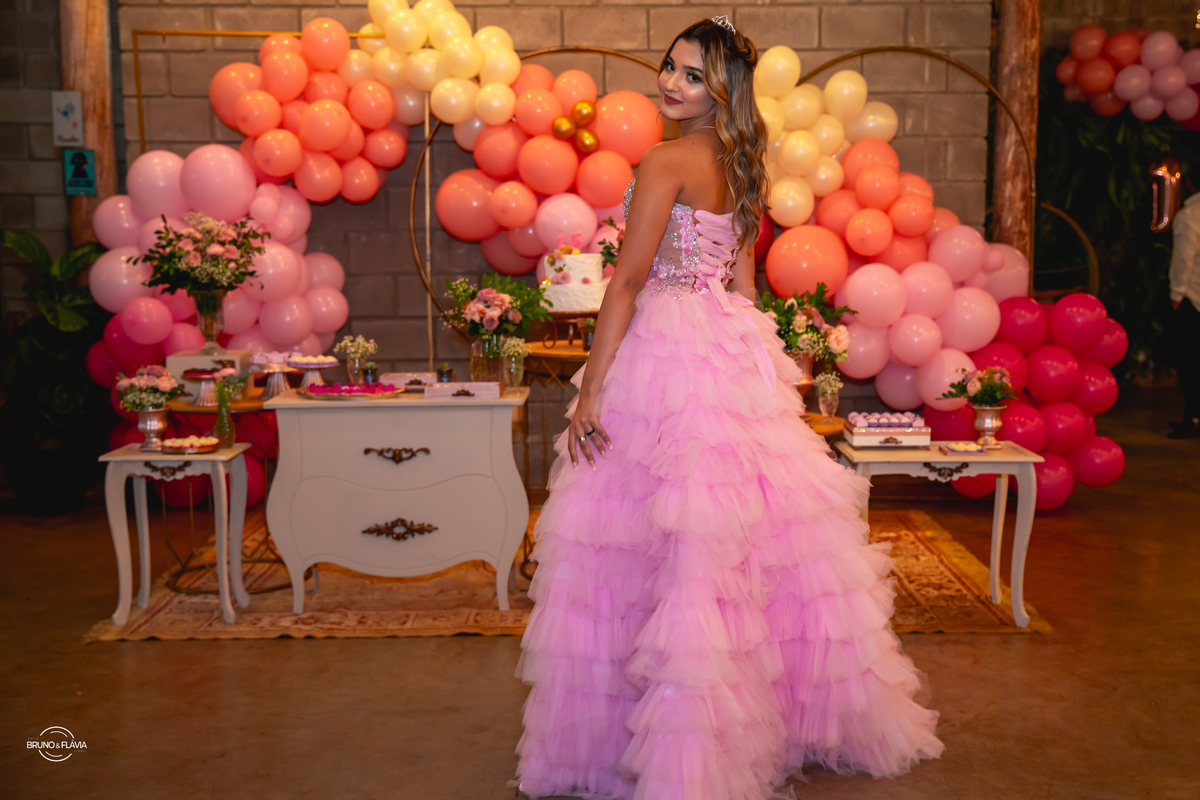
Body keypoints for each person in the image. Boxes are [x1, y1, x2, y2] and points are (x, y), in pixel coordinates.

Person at [514, 18, 944, 799]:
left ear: (720, 89)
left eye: (691, 75)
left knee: (654, 536)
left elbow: (628, 281)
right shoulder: (743, 161)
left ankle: (677, 751)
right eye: (669, 66)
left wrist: (593, 391)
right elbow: (744, 286)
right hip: (724, 342)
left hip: (666, 345)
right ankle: (745, 728)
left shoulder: (665, 160)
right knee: (736, 543)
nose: (671, 82)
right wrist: (754, 373)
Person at [1168, 188, 1200, 439]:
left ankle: (1194, 417)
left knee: (1188, 360)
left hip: (1193, 297)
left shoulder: (1190, 215)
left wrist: (1176, 293)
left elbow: (1183, 258)